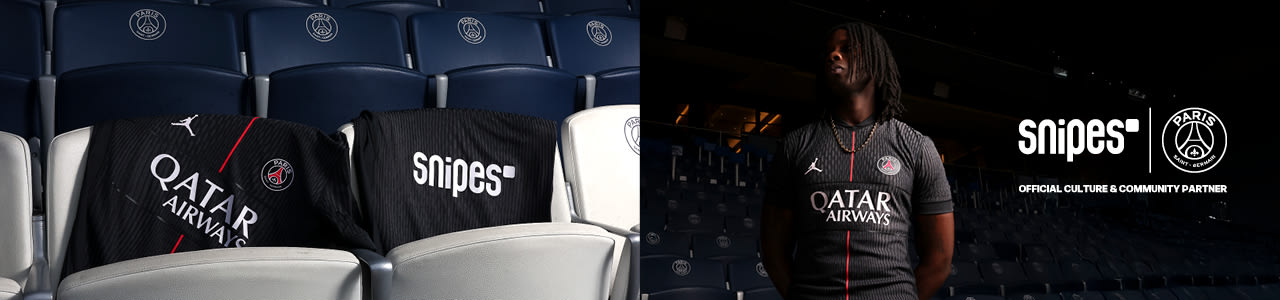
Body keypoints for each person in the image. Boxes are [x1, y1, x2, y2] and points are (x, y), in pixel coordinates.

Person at [760, 22, 955, 300]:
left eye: (847, 49)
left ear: (875, 61)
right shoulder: (795, 145)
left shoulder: (917, 147)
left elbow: (940, 260)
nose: (834, 55)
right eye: (829, 51)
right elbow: (773, 252)